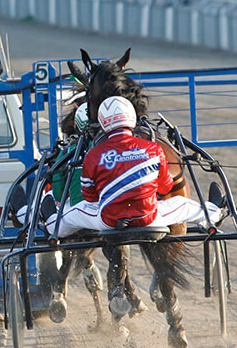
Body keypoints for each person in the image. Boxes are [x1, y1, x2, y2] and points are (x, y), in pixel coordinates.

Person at [43, 96, 223, 240]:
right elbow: (166, 187)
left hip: (108, 219)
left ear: (103, 122)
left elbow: (89, 196)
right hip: (149, 217)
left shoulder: (93, 155)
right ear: (132, 118)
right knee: (182, 204)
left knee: (71, 214)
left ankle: (51, 223)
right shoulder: (154, 149)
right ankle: (214, 213)